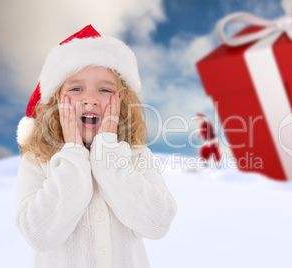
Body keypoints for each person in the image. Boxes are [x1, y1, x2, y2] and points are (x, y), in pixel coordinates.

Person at [15, 25, 177, 268]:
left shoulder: (137, 156)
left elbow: (157, 224)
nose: (90, 99)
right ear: (55, 102)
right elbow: (40, 235)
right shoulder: (37, 160)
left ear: (121, 102)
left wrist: (107, 155)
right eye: (76, 89)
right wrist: (73, 153)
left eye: (104, 90)